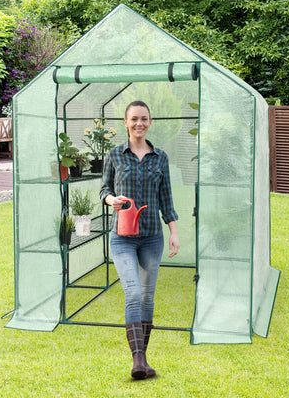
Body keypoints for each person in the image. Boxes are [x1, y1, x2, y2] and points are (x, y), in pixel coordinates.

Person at [100, 101, 179, 379]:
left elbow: (166, 198)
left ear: (150, 121)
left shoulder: (161, 158)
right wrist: (112, 200)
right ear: (125, 122)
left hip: (152, 238)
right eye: (134, 119)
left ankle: (141, 360)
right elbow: (104, 190)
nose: (139, 124)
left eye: (144, 119)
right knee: (133, 293)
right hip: (122, 237)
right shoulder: (114, 155)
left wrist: (173, 232)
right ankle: (138, 359)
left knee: (147, 298)